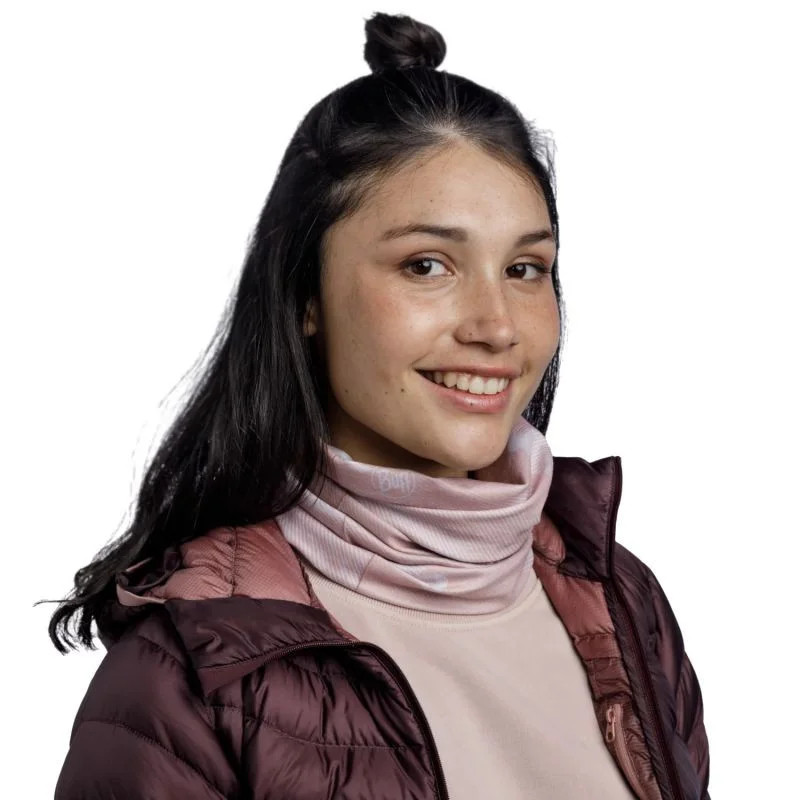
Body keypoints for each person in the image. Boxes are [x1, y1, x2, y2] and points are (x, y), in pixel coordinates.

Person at [48, 11, 710, 799]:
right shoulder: (191, 673)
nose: (497, 326)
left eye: (525, 269)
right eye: (427, 265)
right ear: (306, 297)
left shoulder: (621, 599)